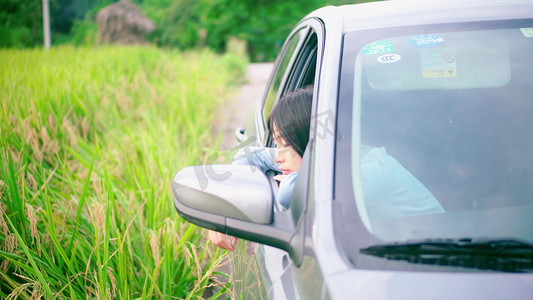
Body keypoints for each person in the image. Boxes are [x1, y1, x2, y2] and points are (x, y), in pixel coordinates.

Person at [209, 86, 444, 251]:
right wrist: (224, 208)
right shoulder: (330, 154)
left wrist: (294, 179)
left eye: (285, 144)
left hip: (438, 255)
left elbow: (291, 193)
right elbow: (249, 154)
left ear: (311, 140)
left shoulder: (370, 173)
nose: (278, 156)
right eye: (277, 144)